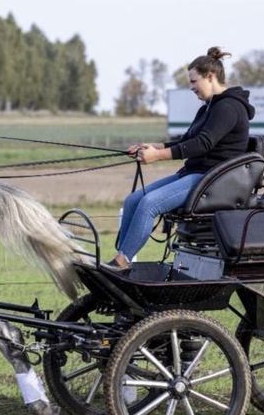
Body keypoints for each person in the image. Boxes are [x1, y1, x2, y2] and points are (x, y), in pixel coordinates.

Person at [109, 47, 256, 269]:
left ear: (210, 76)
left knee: (149, 204)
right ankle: (121, 256)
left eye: (194, 81)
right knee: (133, 200)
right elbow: (187, 139)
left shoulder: (229, 107)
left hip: (211, 180)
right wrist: (152, 146)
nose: (191, 87)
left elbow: (202, 144)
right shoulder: (208, 108)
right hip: (195, 174)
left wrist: (157, 156)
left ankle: (122, 262)